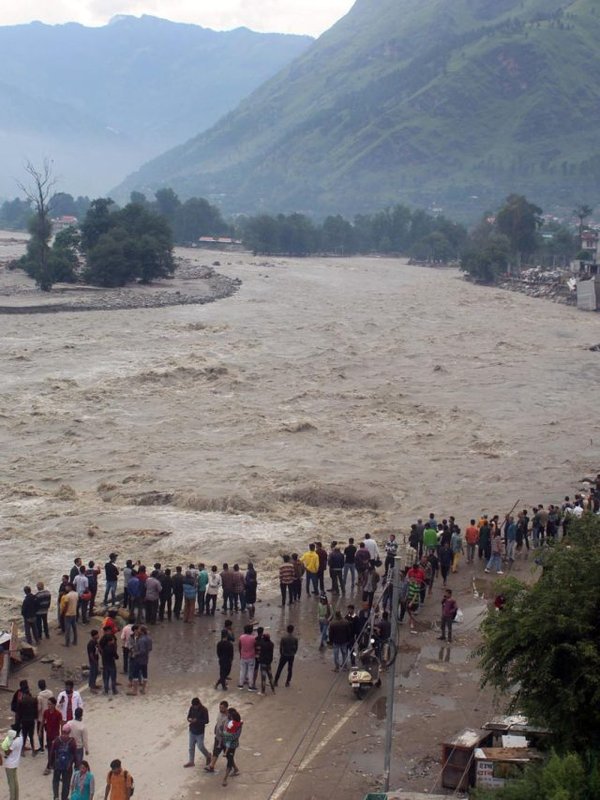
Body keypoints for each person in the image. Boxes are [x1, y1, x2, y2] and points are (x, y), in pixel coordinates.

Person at [50, 724, 77, 800]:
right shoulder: (72, 741)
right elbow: (74, 754)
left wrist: (51, 763)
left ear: (62, 731)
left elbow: (52, 752)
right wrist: (75, 764)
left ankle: (56, 796)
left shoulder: (57, 740)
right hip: (68, 766)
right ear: (69, 731)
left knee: (55, 780)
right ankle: (64, 797)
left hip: (57, 764)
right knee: (66, 782)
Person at [184, 697, 210, 767]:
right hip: (192, 730)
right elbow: (188, 716)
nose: (194, 707)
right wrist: (189, 719)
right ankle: (191, 761)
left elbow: (206, 721)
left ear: (198, 704)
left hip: (200, 731)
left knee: (200, 746)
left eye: (195, 705)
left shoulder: (204, 710)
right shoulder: (192, 708)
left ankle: (208, 755)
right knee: (191, 747)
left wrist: (197, 721)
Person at [205, 700, 229, 773]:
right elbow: (218, 722)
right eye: (220, 707)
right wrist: (216, 729)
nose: (220, 709)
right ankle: (211, 766)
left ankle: (234, 768)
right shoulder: (220, 713)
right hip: (218, 737)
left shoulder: (228, 718)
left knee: (228, 755)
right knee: (215, 752)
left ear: (226, 708)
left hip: (224, 739)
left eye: (222, 708)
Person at [221, 708, 242, 786]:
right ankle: (236, 769)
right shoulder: (229, 721)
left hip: (232, 745)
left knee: (229, 761)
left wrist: (226, 735)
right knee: (229, 758)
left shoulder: (238, 725)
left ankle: (225, 779)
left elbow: (236, 735)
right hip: (225, 741)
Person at [42, 697, 63, 775]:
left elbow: (61, 725)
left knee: (52, 751)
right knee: (51, 751)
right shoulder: (46, 712)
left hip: (55, 736)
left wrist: (61, 735)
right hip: (48, 735)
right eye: (48, 704)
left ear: (54, 705)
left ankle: (48, 767)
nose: (48, 705)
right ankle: (52, 764)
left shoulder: (58, 714)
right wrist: (40, 731)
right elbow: (43, 721)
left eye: (50, 704)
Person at [16, 686, 37, 755]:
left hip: (24, 721)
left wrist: (19, 721)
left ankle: (22, 751)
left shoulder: (22, 701)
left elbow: (19, 712)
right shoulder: (34, 700)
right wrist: (35, 717)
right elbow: (35, 711)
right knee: (31, 736)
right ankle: (33, 750)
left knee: (24, 736)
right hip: (31, 720)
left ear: (24, 694)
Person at [2, 728, 23, 800]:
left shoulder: (14, 742)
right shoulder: (20, 739)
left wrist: (4, 748)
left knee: (11, 784)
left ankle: (12, 798)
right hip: (15, 763)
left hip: (9, 764)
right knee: (15, 782)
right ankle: (16, 798)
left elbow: (7, 752)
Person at [98, 629, 119, 695]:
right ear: (109, 641)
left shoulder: (104, 648)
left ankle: (106, 690)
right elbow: (116, 656)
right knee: (113, 678)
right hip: (111, 664)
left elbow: (101, 652)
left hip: (105, 664)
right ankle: (114, 690)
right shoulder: (112, 648)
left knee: (106, 678)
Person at [238, 624, 257, 691]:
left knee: (242, 671)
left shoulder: (241, 637)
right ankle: (250, 686)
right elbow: (255, 646)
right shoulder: (253, 638)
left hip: (243, 656)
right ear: (251, 630)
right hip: (251, 657)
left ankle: (240, 685)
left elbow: (239, 646)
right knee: (250, 671)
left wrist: (240, 654)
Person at [37, 678, 53, 751]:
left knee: (40, 731)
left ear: (39, 686)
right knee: (49, 731)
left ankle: (41, 747)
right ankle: (49, 744)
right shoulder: (50, 693)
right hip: (50, 716)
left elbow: (39, 708)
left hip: (41, 717)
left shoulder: (39, 696)